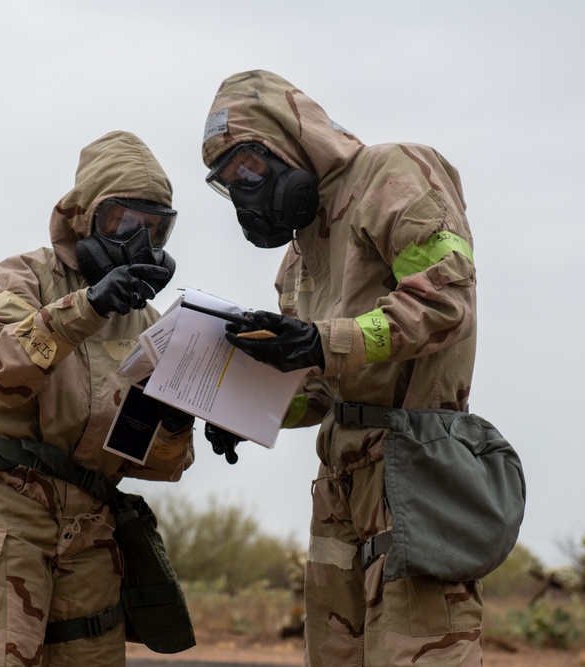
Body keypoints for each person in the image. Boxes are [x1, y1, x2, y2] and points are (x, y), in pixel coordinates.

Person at [201, 70, 482, 666]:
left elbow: (444, 303)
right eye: (229, 182)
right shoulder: (296, 259)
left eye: (250, 167)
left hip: (413, 465)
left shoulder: (394, 172)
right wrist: (248, 411)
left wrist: (320, 341)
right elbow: (323, 391)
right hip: (337, 484)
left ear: (291, 140)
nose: (245, 190)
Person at [0, 130, 195, 667]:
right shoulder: (22, 277)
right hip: (9, 510)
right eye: (124, 222)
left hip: (94, 530)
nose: (140, 241)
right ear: (84, 217)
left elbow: (160, 464)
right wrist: (87, 307)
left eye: (155, 228)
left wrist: (175, 419)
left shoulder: (149, 324)